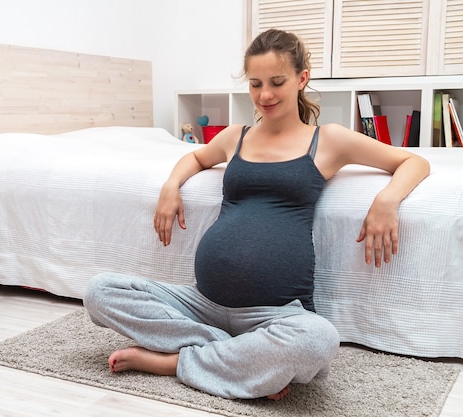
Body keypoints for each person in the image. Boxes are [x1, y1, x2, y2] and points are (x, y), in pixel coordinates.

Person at [83, 28, 430, 401]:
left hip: (276, 315)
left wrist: (387, 200)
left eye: (277, 82)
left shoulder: (328, 139)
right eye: (255, 84)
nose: (264, 95)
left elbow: (413, 161)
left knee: (318, 340)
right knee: (99, 291)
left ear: (301, 79)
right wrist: (171, 186)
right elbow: (197, 156)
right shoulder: (236, 136)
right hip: (202, 305)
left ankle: (173, 362)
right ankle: (245, 357)